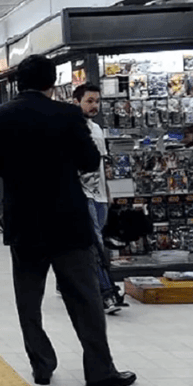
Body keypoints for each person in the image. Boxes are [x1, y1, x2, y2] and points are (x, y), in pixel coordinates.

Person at [0, 55, 136, 386]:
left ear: (18, 83)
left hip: (23, 219)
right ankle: (99, 370)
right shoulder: (68, 114)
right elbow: (88, 160)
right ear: (52, 83)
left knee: (29, 299)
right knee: (85, 298)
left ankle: (42, 365)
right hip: (68, 219)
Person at [73, 83, 125, 314]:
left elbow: (102, 164)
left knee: (95, 241)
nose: (94, 106)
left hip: (100, 194)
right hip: (82, 194)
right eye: (89, 101)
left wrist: (109, 192)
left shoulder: (97, 129)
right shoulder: (70, 128)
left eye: (97, 101)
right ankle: (106, 293)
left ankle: (69, 281)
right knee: (95, 242)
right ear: (77, 102)